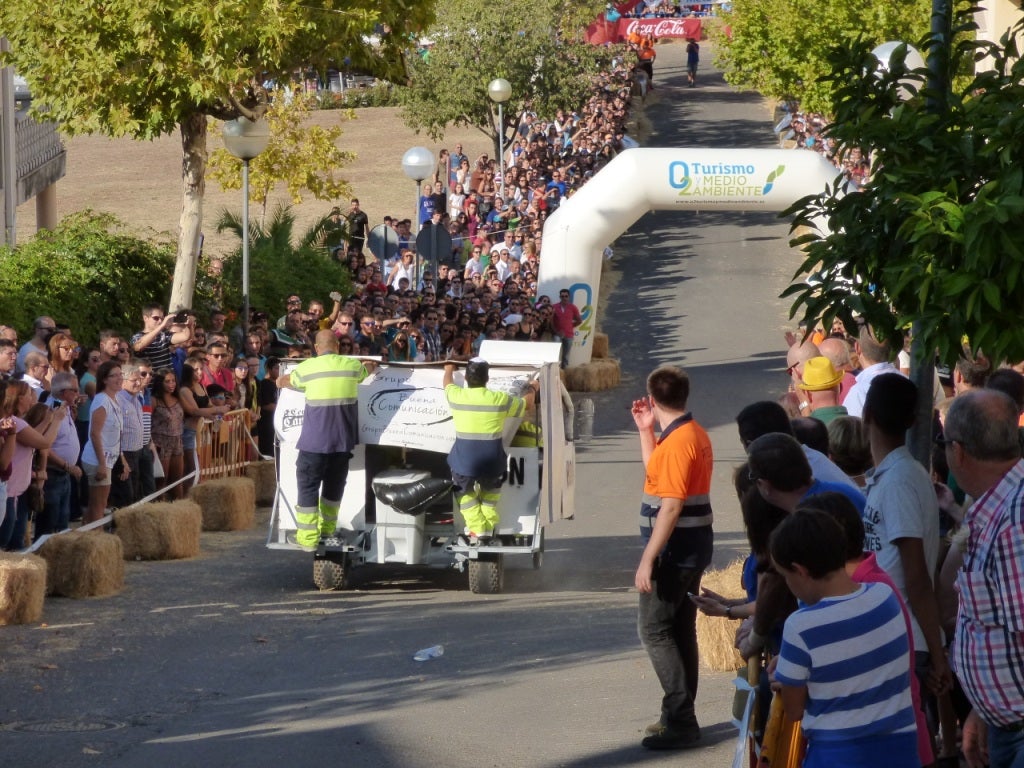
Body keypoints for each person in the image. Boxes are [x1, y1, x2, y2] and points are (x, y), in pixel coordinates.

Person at [770, 509, 919, 768]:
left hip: (837, 755)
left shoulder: (801, 626)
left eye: (785, 576)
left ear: (800, 570)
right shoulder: (885, 596)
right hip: (902, 751)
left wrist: (786, 675)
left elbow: (794, 710)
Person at [629, 365, 713, 750]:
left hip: (675, 551)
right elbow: (656, 474)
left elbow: (672, 505)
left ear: (652, 397)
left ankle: (681, 719)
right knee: (678, 630)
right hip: (689, 547)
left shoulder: (680, 442)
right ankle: (678, 714)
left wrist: (649, 557)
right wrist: (646, 431)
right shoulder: (682, 435)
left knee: (654, 630)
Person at [943, 390, 1024, 768]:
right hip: (1006, 723)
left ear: (957, 451)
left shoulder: (1014, 520)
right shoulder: (999, 506)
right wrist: (984, 708)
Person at [861, 373, 951, 702]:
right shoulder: (892, 476)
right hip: (896, 633)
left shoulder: (900, 480)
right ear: (912, 420)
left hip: (904, 638)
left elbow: (915, 575)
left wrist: (937, 654)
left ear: (866, 414)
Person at [280, 330, 370, 551]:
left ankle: (308, 539)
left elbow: (284, 381)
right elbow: (368, 370)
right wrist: (372, 365)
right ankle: (328, 529)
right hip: (342, 442)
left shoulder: (307, 368)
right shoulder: (352, 366)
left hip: (313, 443)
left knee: (308, 486)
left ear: (317, 349)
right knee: (334, 485)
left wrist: (280, 380)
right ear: (338, 346)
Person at [443, 358, 534, 544]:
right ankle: (488, 525)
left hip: (464, 462)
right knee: (490, 493)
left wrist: (449, 369)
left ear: (467, 378)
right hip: (493, 461)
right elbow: (527, 404)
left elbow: (447, 383)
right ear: (487, 379)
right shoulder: (499, 399)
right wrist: (533, 388)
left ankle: (478, 528)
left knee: (464, 492)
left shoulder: (456, 396)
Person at [80, 361, 126, 524]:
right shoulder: (101, 400)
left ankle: (85, 535)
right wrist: (101, 463)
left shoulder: (115, 399)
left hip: (109, 458)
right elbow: (94, 433)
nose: (119, 378)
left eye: (121, 374)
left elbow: (116, 434)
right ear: (105, 380)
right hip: (98, 459)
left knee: (97, 503)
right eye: (114, 375)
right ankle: (95, 538)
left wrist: (122, 459)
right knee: (99, 505)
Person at [150, 368, 185, 498]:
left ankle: (180, 507)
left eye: (173, 381)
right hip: (161, 443)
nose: (171, 384)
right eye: (167, 381)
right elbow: (147, 422)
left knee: (178, 480)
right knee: (161, 481)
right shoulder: (154, 400)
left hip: (177, 441)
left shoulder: (177, 397)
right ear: (160, 383)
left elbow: (191, 411)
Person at [131, 303, 193, 371]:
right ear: (145, 318)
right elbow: (139, 346)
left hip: (167, 380)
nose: (160, 321)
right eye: (156, 318)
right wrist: (162, 326)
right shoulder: (137, 337)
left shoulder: (164, 335)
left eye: (162, 318)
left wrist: (189, 326)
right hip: (150, 379)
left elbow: (186, 336)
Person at [551, 287, 582, 369]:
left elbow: (579, 320)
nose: (564, 298)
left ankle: (564, 372)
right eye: (562, 296)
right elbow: (550, 321)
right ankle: (555, 369)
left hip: (569, 334)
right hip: (557, 334)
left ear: (569, 297)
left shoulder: (573, 307)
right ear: (560, 297)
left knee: (566, 355)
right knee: (555, 353)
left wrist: (570, 326)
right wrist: (556, 331)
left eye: (566, 296)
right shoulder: (554, 307)